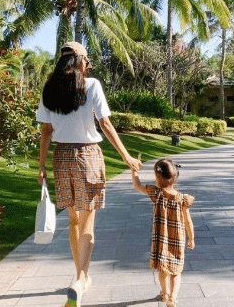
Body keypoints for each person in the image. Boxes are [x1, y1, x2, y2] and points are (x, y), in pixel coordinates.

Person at [36, 41, 142, 307]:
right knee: (88, 224)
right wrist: (126, 157)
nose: (89, 63)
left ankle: (80, 277)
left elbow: (46, 132)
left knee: (73, 220)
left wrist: (41, 166)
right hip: (88, 157)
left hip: (62, 158)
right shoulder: (91, 84)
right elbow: (105, 124)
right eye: (87, 58)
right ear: (79, 60)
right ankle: (80, 280)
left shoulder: (49, 89)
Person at [131, 158, 195, 307]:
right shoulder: (182, 200)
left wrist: (134, 172)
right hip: (177, 240)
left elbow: (137, 185)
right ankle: (173, 297)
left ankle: (165, 293)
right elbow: (188, 221)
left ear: (157, 178)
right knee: (176, 271)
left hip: (161, 240)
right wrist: (191, 239)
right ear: (175, 177)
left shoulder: (156, 193)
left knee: (162, 269)